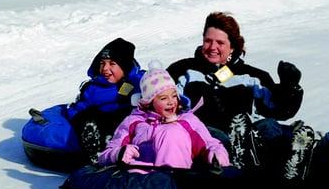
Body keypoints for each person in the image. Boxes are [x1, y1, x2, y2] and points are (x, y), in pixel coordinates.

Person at [167, 12, 310, 178]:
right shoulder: (183, 70)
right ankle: (239, 162)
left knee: (269, 126)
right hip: (206, 136)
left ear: (232, 46)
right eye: (208, 41)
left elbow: (279, 109)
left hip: (251, 136)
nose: (212, 47)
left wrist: (289, 88)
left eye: (220, 42)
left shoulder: (252, 76)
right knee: (215, 135)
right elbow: (160, 98)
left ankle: (292, 164)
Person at [97, 62, 230, 170]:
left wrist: (216, 155)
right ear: (149, 102)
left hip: (179, 177)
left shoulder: (187, 120)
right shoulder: (134, 122)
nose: (171, 102)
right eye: (163, 98)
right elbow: (106, 154)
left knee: (172, 131)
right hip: (141, 180)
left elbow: (209, 143)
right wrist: (120, 153)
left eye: (174, 96)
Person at [66, 38, 143, 162]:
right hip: (101, 122)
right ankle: (97, 153)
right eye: (102, 63)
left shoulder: (138, 80)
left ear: (124, 66)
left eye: (112, 64)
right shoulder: (93, 88)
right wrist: (77, 117)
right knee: (88, 117)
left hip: (126, 120)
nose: (105, 68)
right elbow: (79, 107)